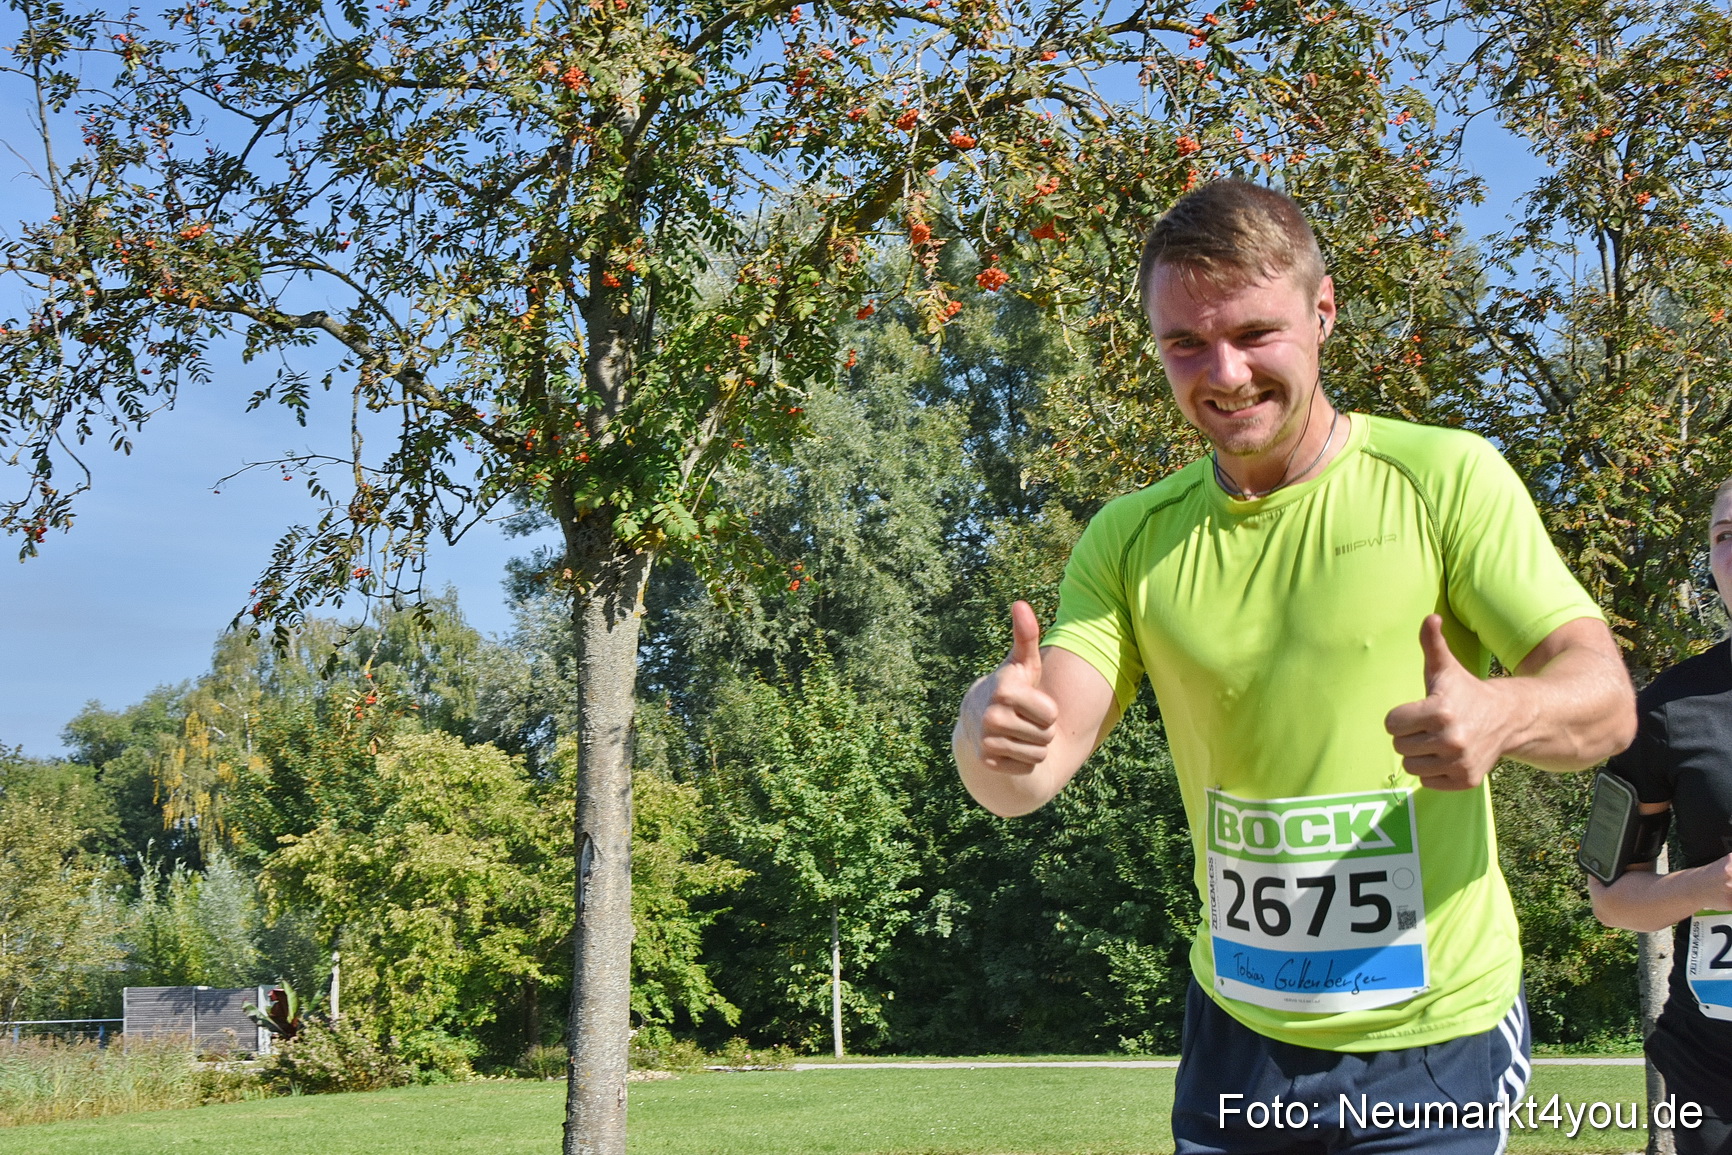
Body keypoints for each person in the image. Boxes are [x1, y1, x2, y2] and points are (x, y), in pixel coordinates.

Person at [952, 179, 1636, 1154]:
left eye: (1253, 333)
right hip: (1239, 1037)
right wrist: (989, 723)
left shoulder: (1444, 479)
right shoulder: (1130, 541)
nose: (1221, 373)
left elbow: (1603, 700)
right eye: (1184, 343)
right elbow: (1027, 769)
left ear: (1322, 314)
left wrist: (1502, 714)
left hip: (1430, 1037)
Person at [1590, 479, 1732, 1155]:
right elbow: (1611, 897)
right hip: (1717, 1068)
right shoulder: (1665, 710)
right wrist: (1706, 888)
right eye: (1724, 537)